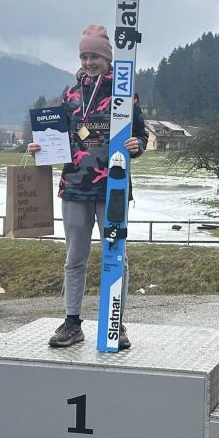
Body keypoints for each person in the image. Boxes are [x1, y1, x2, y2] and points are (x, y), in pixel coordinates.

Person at [29, 24, 147, 350]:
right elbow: (59, 139)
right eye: (84, 56)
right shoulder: (70, 95)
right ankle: (72, 322)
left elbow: (141, 134)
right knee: (74, 258)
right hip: (74, 187)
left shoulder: (124, 93)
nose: (89, 62)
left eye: (94, 56)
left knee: (116, 257)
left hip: (113, 187)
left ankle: (115, 322)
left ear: (107, 58)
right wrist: (40, 148)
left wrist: (138, 145)